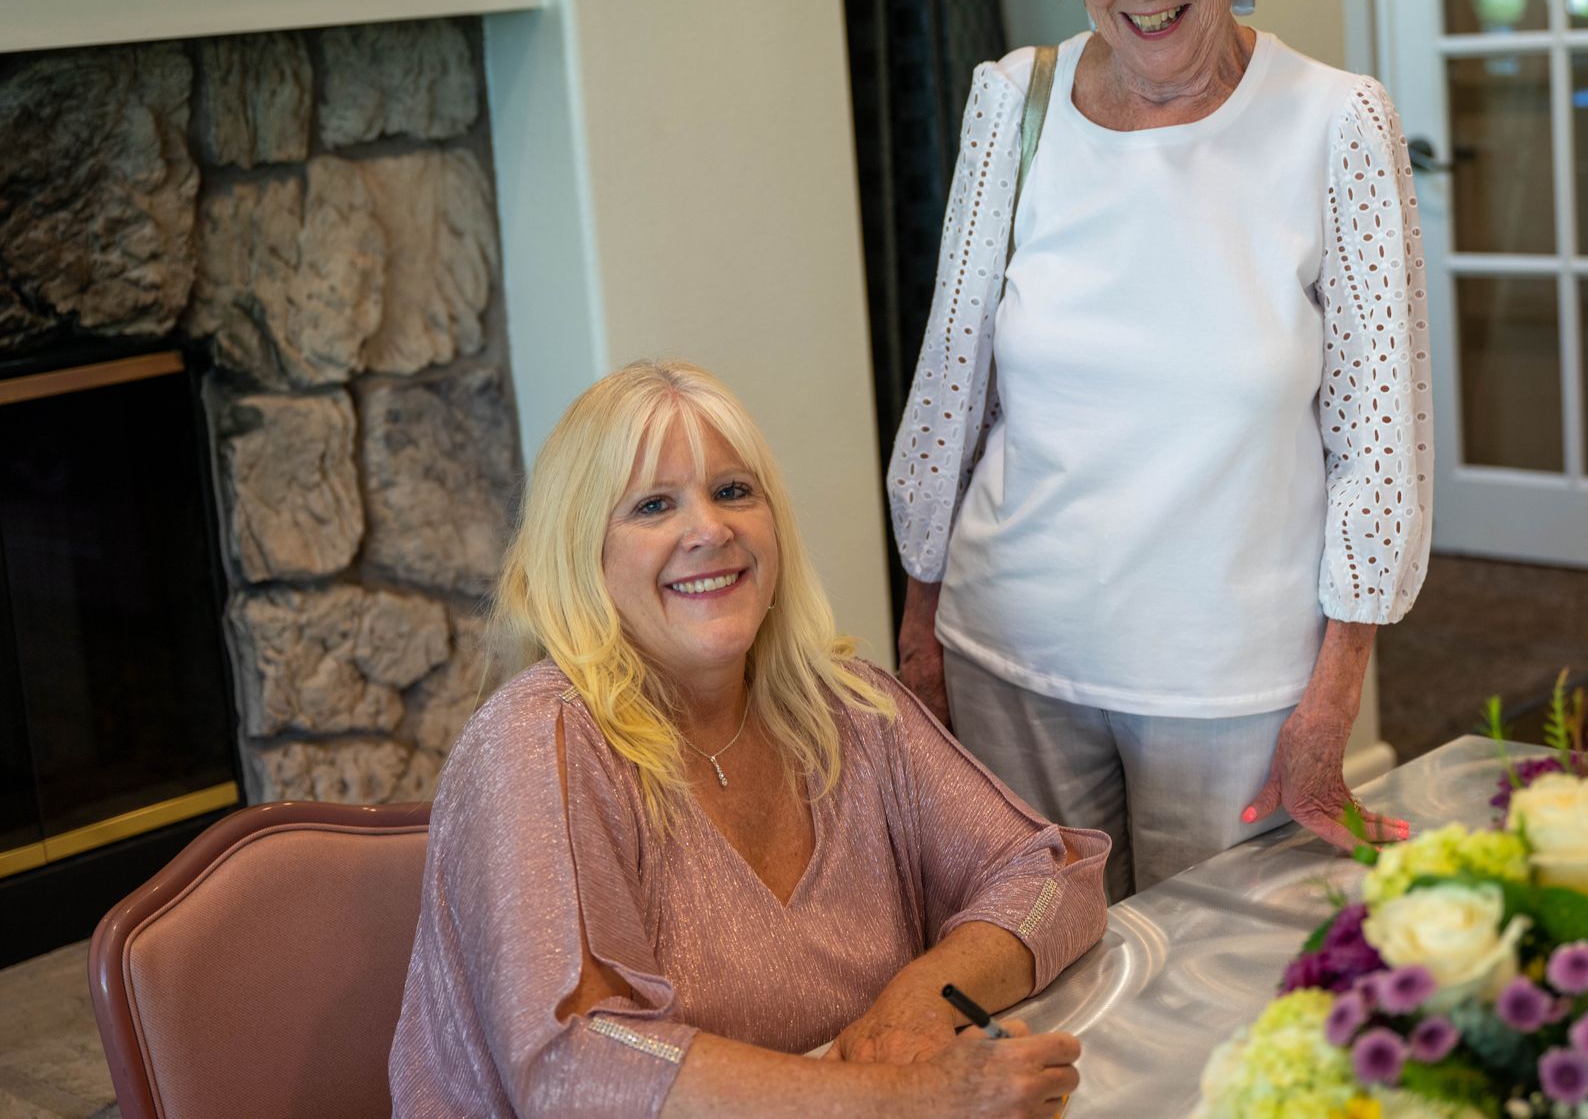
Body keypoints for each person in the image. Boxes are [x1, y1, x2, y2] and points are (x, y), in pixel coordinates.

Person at [889, 0, 1432, 902]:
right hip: (1009, 656)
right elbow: (952, 390)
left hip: (1233, 686)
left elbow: (1379, 447)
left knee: (1221, 1015)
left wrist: (1335, 696)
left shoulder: (1337, 122)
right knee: (1033, 995)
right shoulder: (1013, 100)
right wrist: (920, 632)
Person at [391, 361, 1106, 1118]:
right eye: (654, 505)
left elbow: (1052, 872)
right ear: (580, 553)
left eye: (734, 491)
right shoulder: (535, 740)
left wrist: (915, 1005)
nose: (709, 529)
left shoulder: (848, 707)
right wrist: (901, 1098)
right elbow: (573, 1067)